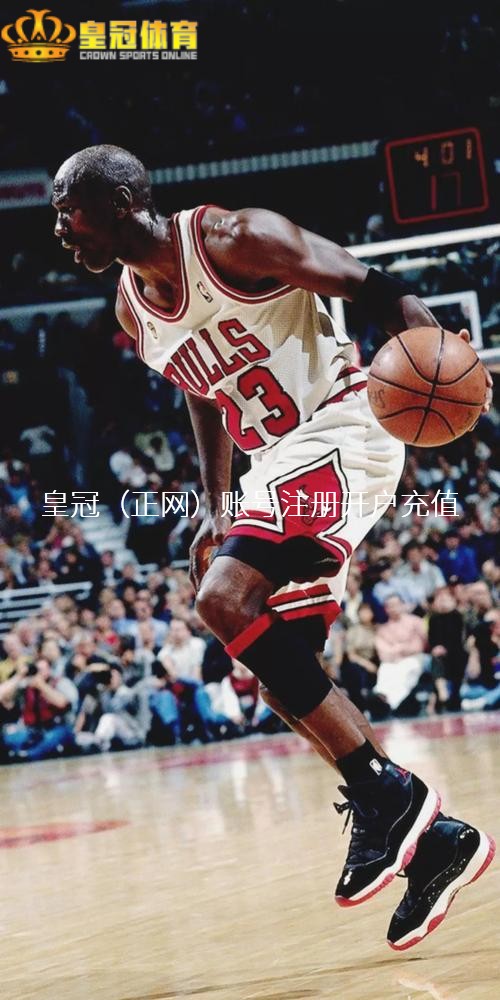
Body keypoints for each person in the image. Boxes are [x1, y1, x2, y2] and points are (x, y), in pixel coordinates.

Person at [52, 144, 494, 949]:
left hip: (343, 426)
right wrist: (218, 504)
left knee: (224, 600)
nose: (59, 228)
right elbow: (203, 392)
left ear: (118, 202)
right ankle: (432, 839)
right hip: (275, 463)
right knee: (282, 671)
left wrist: (438, 352)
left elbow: (373, 286)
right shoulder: (131, 307)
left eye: (67, 209)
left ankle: (390, 798)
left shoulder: (235, 239)